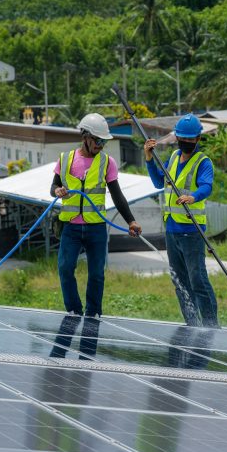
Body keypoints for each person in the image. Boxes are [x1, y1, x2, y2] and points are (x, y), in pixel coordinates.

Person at [50, 113, 141, 318]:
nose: (101, 145)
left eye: (103, 141)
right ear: (85, 137)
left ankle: (93, 313)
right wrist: (57, 190)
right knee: (65, 269)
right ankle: (73, 310)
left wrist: (131, 221)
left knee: (97, 274)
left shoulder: (107, 163)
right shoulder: (66, 159)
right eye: (98, 140)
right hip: (71, 227)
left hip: (96, 227)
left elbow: (117, 195)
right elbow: (53, 186)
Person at [143, 114, 218, 328]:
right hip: (172, 230)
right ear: (177, 138)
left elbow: (206, 186)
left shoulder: (203, 162)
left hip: (191, 230)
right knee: (179, 281)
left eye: (190, 139)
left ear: (197, 139)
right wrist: (149, 158)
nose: (186, 142)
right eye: (182, 138)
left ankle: (211, 325)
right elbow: (159, 181)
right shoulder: (174, 157)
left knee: (197, 280)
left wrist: (193, 196)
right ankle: (192, 324)